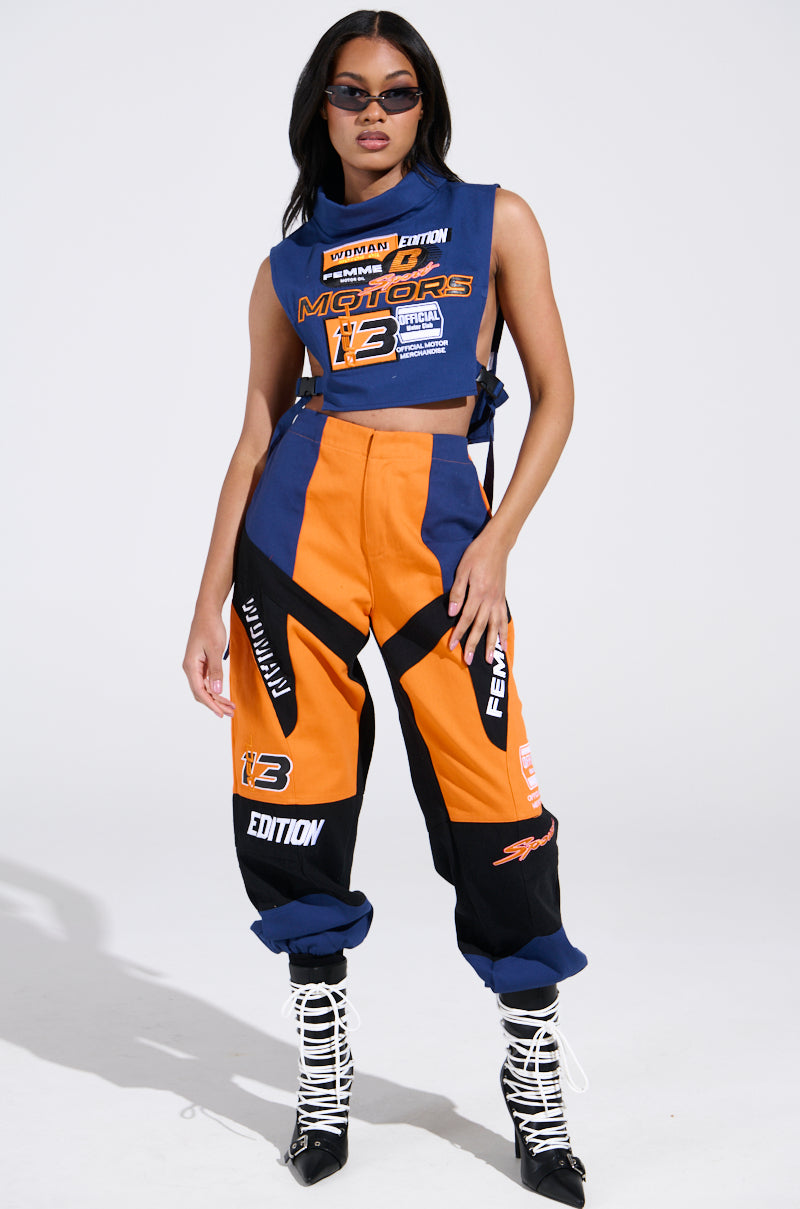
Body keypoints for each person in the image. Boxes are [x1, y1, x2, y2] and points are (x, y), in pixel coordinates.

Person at [183, 10, 589, 1204]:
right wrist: (205, 601)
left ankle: (531, 1070)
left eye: (396, 92)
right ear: (320, 109)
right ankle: (322, 1070)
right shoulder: (288, 266)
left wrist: (496, 545)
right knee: (291, 803)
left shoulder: (492, 219)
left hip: (437, 537)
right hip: (296, 535)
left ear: (425, 106)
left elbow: (557, 396)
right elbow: (254, 434)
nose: (373, 112)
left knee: (491, 795)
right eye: (351, 92)